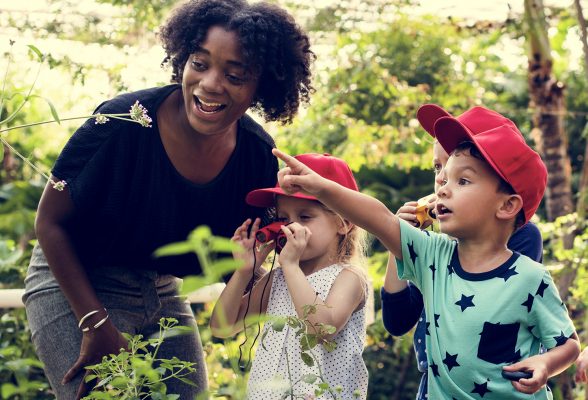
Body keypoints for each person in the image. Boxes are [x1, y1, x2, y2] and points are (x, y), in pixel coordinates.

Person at [22, 0, 314, 398]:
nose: (211, 83)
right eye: (200, 63)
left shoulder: (256, 155)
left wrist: (313, 296)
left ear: (261, 86)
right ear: (182, 60)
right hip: (74, 280)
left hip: (160, 290)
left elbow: (237, 260)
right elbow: (49, 223)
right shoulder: (122, 120)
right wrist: (94, 322)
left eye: (235, 74)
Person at [272, 105, 581, 399]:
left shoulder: (531, 277)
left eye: (462, 180)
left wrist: (546, 364)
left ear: (507, 205)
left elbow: (567, 344)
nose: (442, 186)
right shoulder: (433, 254)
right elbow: (379, 218)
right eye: (442, 173)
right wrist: (322, 188)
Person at [381, 104, 544, 400]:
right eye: (437, 167)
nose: (442, 179)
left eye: (461, 175)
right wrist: (400, 243)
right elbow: (397, 322)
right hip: (437, 387)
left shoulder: (522, 238)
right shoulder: (437, 245)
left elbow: (484, 312)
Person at [210, 153, 369, 399]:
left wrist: (292, 267)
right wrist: (244, 271)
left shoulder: (349, 278)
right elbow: (222, 326)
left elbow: (322, 329)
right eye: (283, 218)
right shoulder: (279, 278)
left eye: (305, 217)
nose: (288, 227)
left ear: (344, 223)